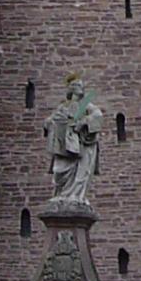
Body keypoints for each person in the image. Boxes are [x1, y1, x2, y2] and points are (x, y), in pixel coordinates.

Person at [44, 75, 103, 204]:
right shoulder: (63, 106)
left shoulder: (86, 104)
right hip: (64, 146)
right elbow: (53, 119)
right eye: (75, 85)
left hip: (82, 146)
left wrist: (83, 122)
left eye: (80, 85)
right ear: (69, 89)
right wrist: (48, 123)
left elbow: (98, 116)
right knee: (58, 171)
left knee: (81, 173)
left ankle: (75, 196)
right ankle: (60, 194)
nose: (78, 88)